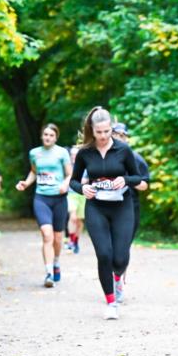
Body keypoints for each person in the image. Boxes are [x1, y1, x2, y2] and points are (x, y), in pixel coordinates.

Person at [70, 107, 144, 320]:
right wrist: (82, 188)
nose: (103, 136)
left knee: (119, 258)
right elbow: (74, 181)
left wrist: (126, 180)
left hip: (122, 206)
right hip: (96, 207)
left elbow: (138, 178)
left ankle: (118, 277)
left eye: (107, 131)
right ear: (92, 131)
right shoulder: (85, 153)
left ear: (111, 128)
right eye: (99, 132)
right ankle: (111, 302)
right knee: (104, 254)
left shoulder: (123, 150)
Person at [16, 124, 72, 288]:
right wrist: (26, 183)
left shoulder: (62, 153)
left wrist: (65, 184)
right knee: (47, 235)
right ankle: (48, 273)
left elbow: (70, 174)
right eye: (45, 134)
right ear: (42, 136)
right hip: (42, 198)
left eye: (51, 135)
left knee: (58, 238)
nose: (48, 137)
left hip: (59, 199)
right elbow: (34, 171)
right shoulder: (34, 153)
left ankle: (55, 262)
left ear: (56, 138)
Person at [112, 122, 150, 245]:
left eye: (123, 135)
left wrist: (127, 180)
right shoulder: (103, 156)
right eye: (116, 134)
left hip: (130, 205)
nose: (120, 138)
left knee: (124, 246)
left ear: (127, 138)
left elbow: (144, 185)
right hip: (107, 205)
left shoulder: (136, 158)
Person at [65, 145, 86, 254]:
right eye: (72, 154)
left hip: (83, 195)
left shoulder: (86, 165)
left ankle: (76, 241)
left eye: (75, 154)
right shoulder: (67, 166)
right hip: (71, 194)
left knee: (79, 221)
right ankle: (71, 241)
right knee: (73, 217)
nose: (73, 156)